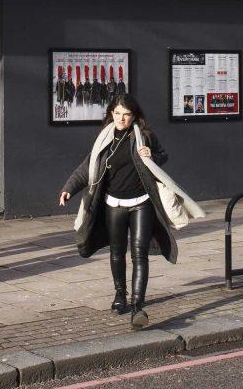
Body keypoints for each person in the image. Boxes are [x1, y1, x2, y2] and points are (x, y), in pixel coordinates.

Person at [59, 94, 190, 329]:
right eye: (117, 113)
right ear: (111, 113)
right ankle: (120, 295)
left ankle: (138, 306)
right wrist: (69, 188)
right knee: (117, 253)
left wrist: (153, 156)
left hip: (142, 202)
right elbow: (88, 166)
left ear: (134, 116)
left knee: (139, 254)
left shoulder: (144, 136)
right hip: (113, 204)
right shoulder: (104, 139)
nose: (121, 118)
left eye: (126, 114)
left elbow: (163, 155)